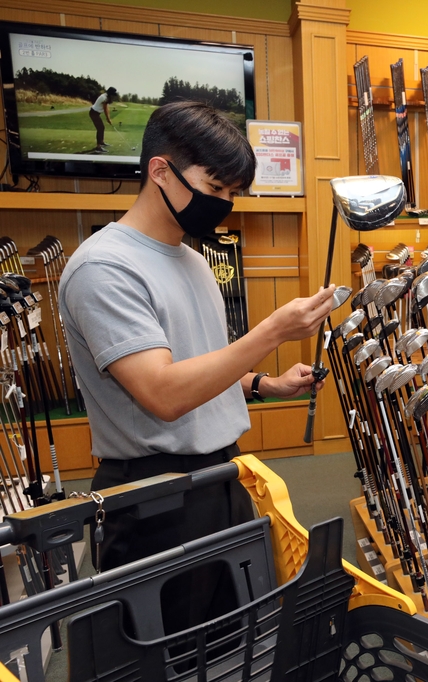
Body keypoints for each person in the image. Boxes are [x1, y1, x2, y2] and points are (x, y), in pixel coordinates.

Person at [59, 101, 336, 630]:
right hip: (153, 500)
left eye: (233, 193)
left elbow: (199, 358)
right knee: (170, 654)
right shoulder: (103, 267)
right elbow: (163, 394)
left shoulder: (191, 258)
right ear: (160, 170)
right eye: (215, 189)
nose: (224, 204)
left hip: (223, 478)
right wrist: (273, 331)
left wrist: (261, 383)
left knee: (235, 638)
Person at [89, 86, 117, 152]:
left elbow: (106, 108)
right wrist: (108, 119)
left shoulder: (106, 96)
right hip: (93, 113)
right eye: (113, 95)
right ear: (110, 94)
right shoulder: (104, 98)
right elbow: (105, 109)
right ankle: (98, 147)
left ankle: (101, 142)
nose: (113, 96)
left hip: (95, 113)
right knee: (100, 128)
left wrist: (108, 118)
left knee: (102, 127)